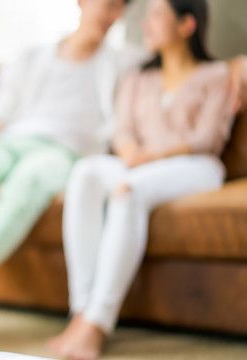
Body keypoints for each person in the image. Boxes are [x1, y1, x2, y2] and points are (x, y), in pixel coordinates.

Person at [0, 0, 142, 341]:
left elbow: (177, 61)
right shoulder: (34, 56)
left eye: (119, 9)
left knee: (29, 181)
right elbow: (1, 108)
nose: (112, 16)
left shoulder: (123, 62)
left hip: (63, 153)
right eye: (107, 5)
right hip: (10, 142)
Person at [49, 1, 238, 359]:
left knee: (127, 190)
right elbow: (121, 129)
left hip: (194, 166)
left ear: (186, 25)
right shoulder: (138, 76)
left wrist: (150, 157)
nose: (145, 24)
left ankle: (97, 324)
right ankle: (80, 310)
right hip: (138, 162)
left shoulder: (215, 76)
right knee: (86, 172)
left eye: (156, 16)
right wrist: (130, 151)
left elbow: (207, 138)